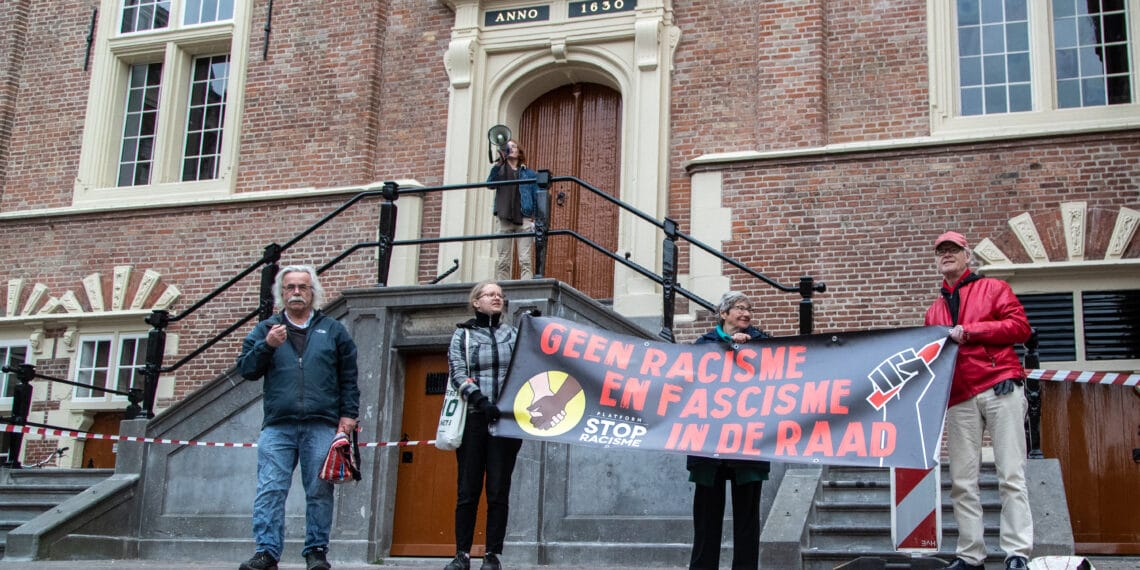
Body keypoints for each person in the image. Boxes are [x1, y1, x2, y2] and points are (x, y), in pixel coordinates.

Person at [236, 265, 361, 570]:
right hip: (278, 426)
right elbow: (246, 369)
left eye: (302, 287)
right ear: (281, 293)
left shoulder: (333, 330)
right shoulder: (266, 329)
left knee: (319, 490)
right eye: (290, 287)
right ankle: (267, 552)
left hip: (322, 424)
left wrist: (349, 416)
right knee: (270, 489)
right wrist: (267, 347)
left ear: (312, 292)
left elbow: (349, 377)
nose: (296, 292)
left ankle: (316, 551)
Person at [924, 231, 1032, 570]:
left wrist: (971, 331)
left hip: (999, 384)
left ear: (967, 256)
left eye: (953, 249)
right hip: (959, 397)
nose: (947, 255)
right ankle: (971, 555)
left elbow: (1020, 327)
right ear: (936, 261)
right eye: (941, 251)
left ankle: (1017, 553)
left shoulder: (994, 288)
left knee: (1011, 473)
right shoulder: (933, 312)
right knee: (962, 481)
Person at [687, 291, 770, 570]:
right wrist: (726, 349)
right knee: (706, 520)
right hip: (709, 446)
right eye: (739, 308)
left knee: (747, 521)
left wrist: (750, 351)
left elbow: (780, 376)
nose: (746, 314)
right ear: (723, 314)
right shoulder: (704, 345)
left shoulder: (763, 344)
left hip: (748, 445)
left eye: (749, 309)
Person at [444, 281, 524, 570]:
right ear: (476, 302)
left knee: (498, 490)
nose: (497, 298)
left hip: (505, 424)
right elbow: (457, 370)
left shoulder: (514, 334)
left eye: (500, 295)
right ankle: (462, 554)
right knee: (467, 489)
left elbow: (526, 367)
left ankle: (492, 555)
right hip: (475, 419)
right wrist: (478, 398)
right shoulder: (462, 335)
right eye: (490, 294)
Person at [486, 139, 542, 281]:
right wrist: (499, 163)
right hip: (504, 218)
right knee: (503, 260)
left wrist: (534, 218)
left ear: (519, 152)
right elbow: (490, 184)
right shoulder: (500, 169)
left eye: (514, 146)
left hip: (524, 219)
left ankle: (526, 290)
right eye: (508, 147)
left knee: (525, 260)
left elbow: (537, 196)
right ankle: (502, 290)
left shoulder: (529, 174)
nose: (511, 149)